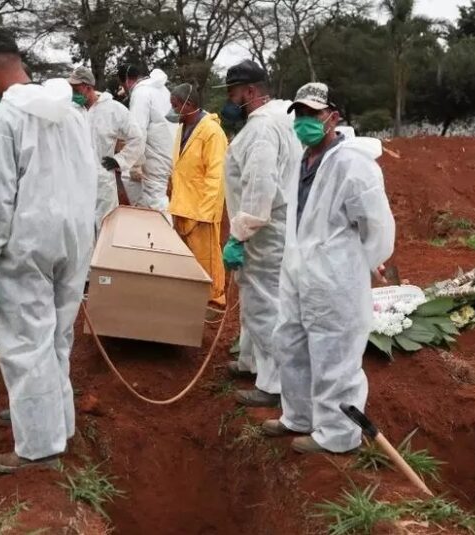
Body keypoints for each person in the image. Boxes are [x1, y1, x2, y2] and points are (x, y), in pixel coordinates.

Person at [0, 35, 96, 474]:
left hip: (27, 244)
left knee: (25, 345)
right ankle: (58, 423)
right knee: (58, 336)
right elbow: (90, 178)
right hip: (74, 239)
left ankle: (38, 447)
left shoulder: (0, 122)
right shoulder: (73, 115)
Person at [267, 82, 395, 454]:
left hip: (335, 275)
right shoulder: (302, 159)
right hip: (298, 269)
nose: (305, 122)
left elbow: (377, 227)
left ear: (333, 117)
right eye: (300, 115)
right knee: (290, 341)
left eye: (313, 114)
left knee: (333, 352)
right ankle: (299, 416)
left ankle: (338, 435)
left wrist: (357, 263)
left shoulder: (354, 165)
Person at [216, 61, 303, 410]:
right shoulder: (278, 119)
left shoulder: (263, 130)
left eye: (233, 94)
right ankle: (251, 362)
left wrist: (240, 234)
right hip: (275, 227)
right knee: (258, 299)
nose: (230, 101)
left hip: (263, 231)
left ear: (250, 92)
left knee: (263, 304)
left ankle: (276, 383)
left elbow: (259, 186)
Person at [167, 83, 228, 310]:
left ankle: (215, 300)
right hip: (182, 204)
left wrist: (207, 211)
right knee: (187, 258)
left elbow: (216, 175)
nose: (173, 110)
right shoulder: (182, 128)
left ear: (189, 105)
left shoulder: (212, 133)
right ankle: (191, 297)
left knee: (207, 259)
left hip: (201, 208)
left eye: (175, 106)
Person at [69, 66, 145, 230]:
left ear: (88, 87)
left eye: (76, 89)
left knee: (105, 227)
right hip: (77, 181)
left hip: (102, 182)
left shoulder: (113, 109)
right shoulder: (71, 111)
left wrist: (120, 161)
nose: (72, 93)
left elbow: (137, 137)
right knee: (80, 229)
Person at [117, 64, 174, 216]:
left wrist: (136, 164)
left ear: (128, 81)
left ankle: (161, 235)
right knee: (154, 195)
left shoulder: (140, 93)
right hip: (170, 150)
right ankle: (150, 225)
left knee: (155, 200)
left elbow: (137, 130)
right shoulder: (161, 89)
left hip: (155, 155)